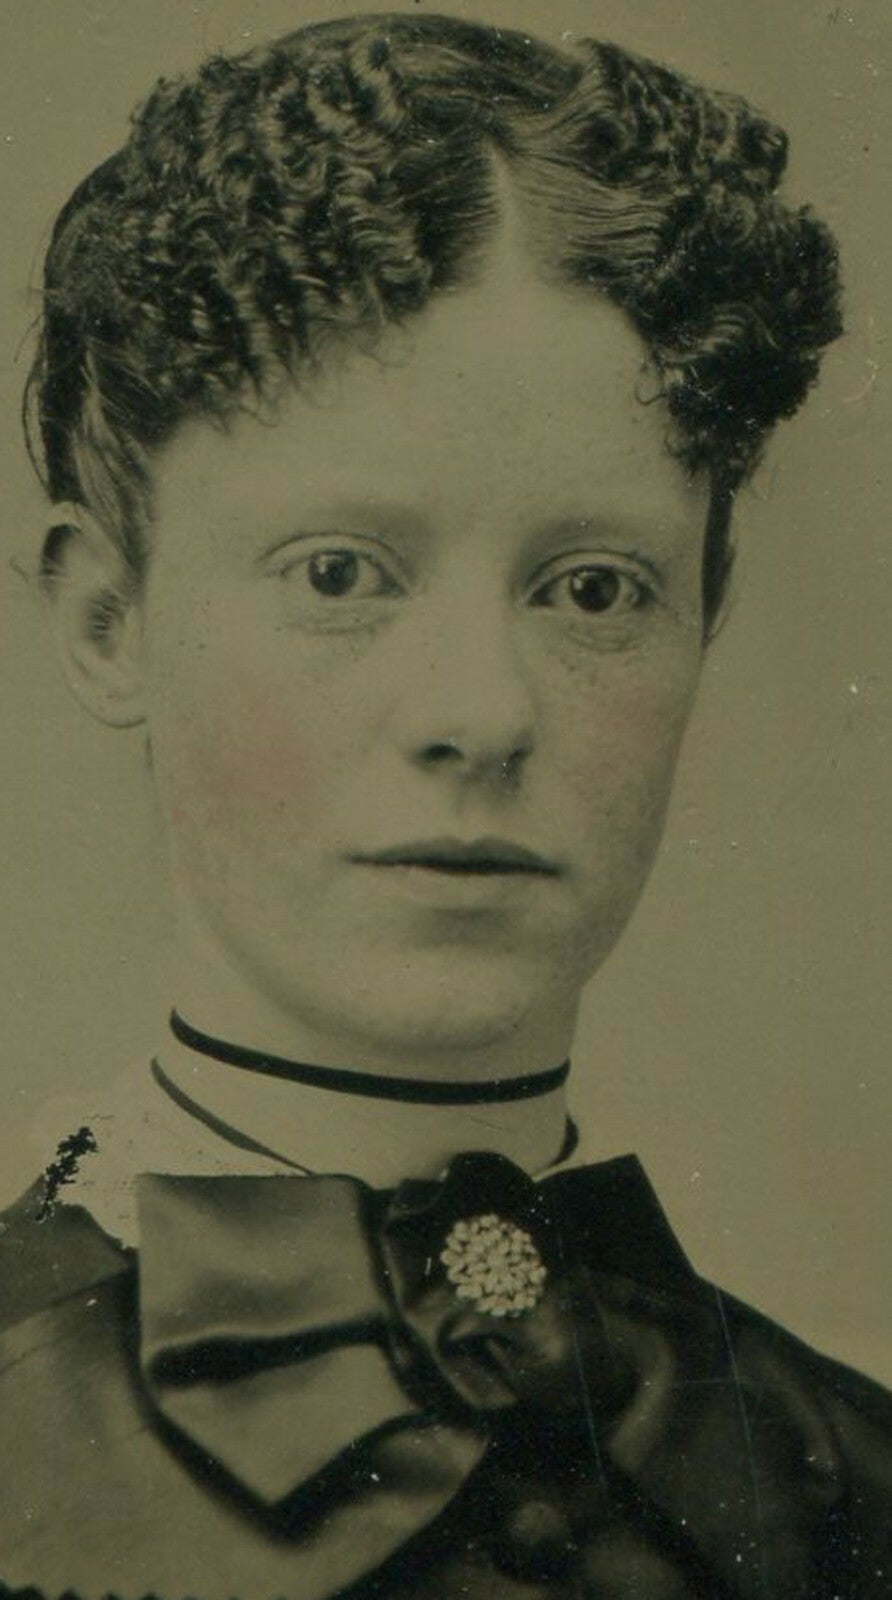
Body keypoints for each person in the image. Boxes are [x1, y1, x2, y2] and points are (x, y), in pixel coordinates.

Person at [1, 11, 889, 1598]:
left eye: (597, 587)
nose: (481, 714)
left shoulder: (845, 1476)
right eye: (341, 573)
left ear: (707, 613)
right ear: (107, 624)